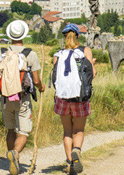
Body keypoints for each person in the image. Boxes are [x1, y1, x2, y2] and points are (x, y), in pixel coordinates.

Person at [0, 20, 44, 175]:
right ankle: (15, 154)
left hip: (4, 98)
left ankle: (12, 158)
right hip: (22, 98)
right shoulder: (31, 54)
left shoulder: (2, 52)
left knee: (10, 129)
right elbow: (36, 81)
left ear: (10, 35)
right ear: (23, 35)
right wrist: (41, 87)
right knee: (23, 132)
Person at [52, 23, 97, 174]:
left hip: (62, 98)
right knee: (78, 130)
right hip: (80, 97)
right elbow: (92, 74)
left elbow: (56, 78)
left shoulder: (58, 54)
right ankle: (76, 151)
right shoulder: (85, 51)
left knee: (67, 131)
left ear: (64, 37)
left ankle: (69, 163)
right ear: (78, 36)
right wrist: (93, 65)